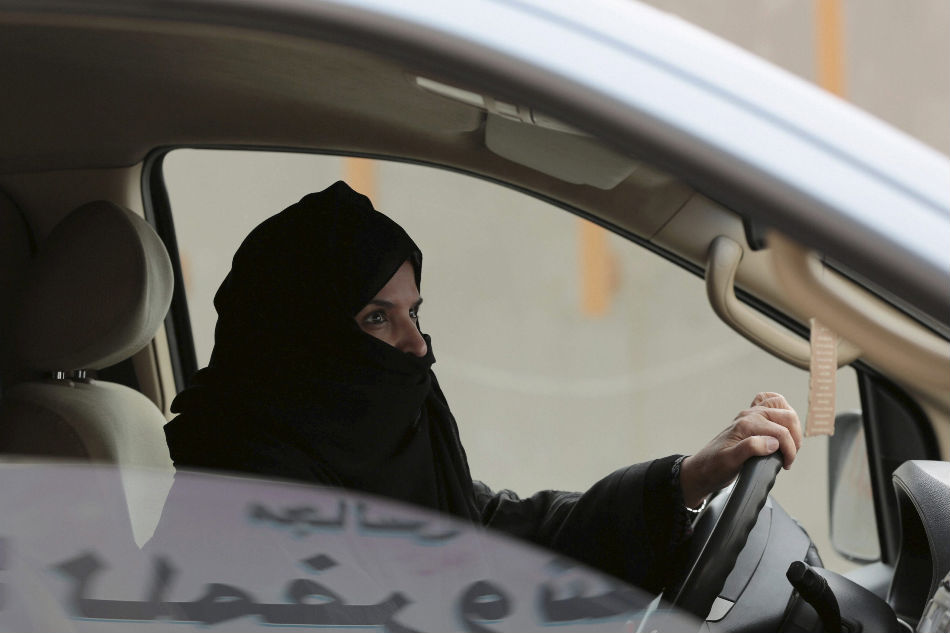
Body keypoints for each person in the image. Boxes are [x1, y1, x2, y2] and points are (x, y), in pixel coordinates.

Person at [164, 181, 802, 592]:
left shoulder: (389, 465)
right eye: (377, 318)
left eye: (414, 313)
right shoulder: (232, 506)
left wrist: (685, 481)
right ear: (302, 339)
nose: (416, 345)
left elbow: (507, 535)